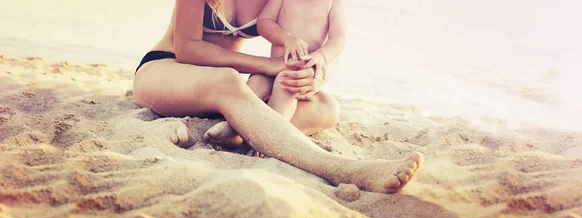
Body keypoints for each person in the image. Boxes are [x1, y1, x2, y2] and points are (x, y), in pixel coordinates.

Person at [133, 0, 423, 193]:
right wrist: (268, 65)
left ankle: (240, 134)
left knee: (326, 107)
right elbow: (188, 49)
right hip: (168, 68)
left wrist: (313, 75)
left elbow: (322, 38)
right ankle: (343, 169)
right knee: (228, 80)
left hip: (217, 91)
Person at [202, 0, 345, 150]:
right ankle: (234, 124)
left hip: (298, 73)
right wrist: (286, 37)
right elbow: (264, 23)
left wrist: (321, 56)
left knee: (285, 90)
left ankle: (267, 139)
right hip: (273, 67)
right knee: (256, 82)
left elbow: (338, 39)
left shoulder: (333, 3)